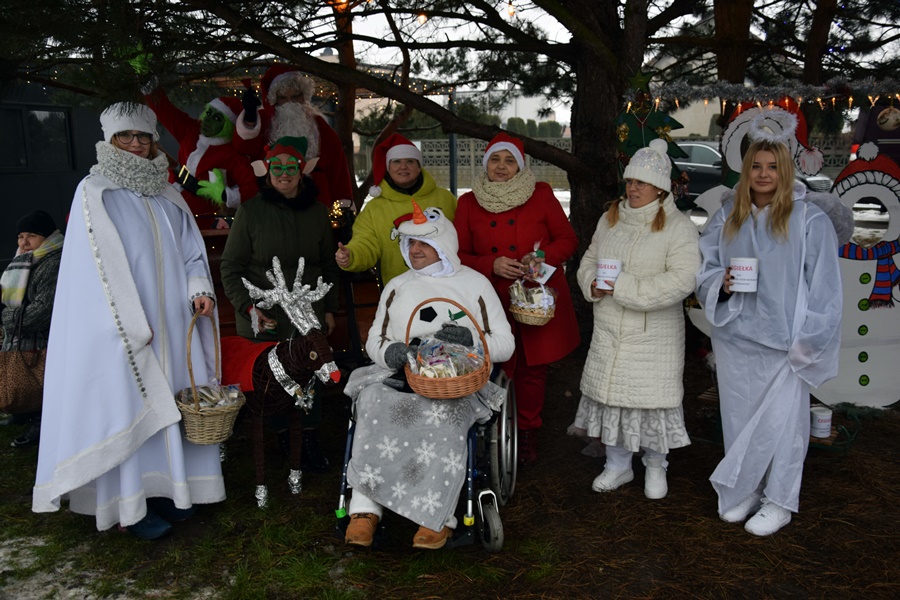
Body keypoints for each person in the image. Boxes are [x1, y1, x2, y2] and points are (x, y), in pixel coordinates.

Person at [32, 103, 225, 540]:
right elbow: (92, 270)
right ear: (110, 140)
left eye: (143, 137)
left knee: (172, 405)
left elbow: (192, 252)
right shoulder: (95, 192)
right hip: (123, 329)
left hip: (173, 327)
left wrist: (199, 288)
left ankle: (169, 491)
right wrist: (127, 323)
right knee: (128, 406)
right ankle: (127, 505)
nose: (137, 144)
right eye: (127, 137)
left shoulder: (168, 194)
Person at [342, 201, 514, 549]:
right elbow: (375, 339)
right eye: (410, 244)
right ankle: (364, 509)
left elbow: (505, 344)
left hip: (457, 380)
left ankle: (436, 516)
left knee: (444, 414)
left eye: (423, 244)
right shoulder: (397, 286)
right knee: (372, 402)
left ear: (443, 246)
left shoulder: (475, 284)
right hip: (403, 374)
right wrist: (388, 353)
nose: (415, 250)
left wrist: (473, 342)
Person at [696, 135, 842, 536]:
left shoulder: (809, 219)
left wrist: (809, 344)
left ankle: (779, 499)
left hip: (784, 342)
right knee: (740, 419)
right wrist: (719, 283)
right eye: (756, 166)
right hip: (736, 338)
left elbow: (826, 289)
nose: (764, 174)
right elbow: (704, 265)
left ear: (785, 170)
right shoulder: (729, 215)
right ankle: (746, 488)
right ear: (747, 171)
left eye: (772, 167)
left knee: (783, 425)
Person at [569, 139, 700, 499]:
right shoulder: (610, 219)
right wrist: (593, 283)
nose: (633, 188)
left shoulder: (678, 227)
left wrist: (623, 286)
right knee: (614, 399)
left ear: (659, 187)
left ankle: (656, 466)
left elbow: (682, 279)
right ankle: (618, 465)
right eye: (630, 181)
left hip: (653, 335)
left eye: (641, 183)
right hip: (610, 329)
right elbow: (589, 261)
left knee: (651, 401)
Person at [454, 132, 578, 466]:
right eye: (495, 159)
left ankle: (525, 432)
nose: (502, 166)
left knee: (532, 368)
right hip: (489, 296)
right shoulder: (467, 202)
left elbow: (567, 239)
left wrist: (540, 257)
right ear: (485, 163)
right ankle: (489, 424)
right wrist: (490, 263)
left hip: (534, 297)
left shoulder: (540, 195)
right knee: (492, 364)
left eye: (510, 160)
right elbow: (457, 253)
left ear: (520, 166)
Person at [220, 136, 340, 471]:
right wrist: (248, 306)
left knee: (308, 372)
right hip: (265, 313)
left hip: (306, 312)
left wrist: (328, 307)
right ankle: (282, 437)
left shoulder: (317, 213)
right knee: (272, 378)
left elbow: (328, 265)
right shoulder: (250, 211)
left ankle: (309, 437)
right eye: (277, 167)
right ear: (268, 170)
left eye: (291, 167)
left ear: (302, 171)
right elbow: (230, 266)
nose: (284, 174)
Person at [335, 133, 457, 286]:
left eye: (410, 161)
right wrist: (351, 255)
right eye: (396, 161)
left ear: (419, 167)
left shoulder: (445, 199)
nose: (403, 167)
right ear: (388, 168)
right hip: (400, 290)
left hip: (447, 286)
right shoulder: (375, 209)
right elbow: (365, 243)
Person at [235, 65, 353, 210]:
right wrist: (250, 117)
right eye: (283, 97)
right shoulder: (264, 121)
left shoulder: (319, 126)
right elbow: (243, 148)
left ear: (304, 96)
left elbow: (338, 169)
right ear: (274, 99)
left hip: (316, 203)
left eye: (295, 96)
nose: (289, 103)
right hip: (271, 202)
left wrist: (343, 207)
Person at [144, 86, 258, 226]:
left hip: (200, 217)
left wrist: (226, 195)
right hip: (168, 196)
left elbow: (252, 188)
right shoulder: (192, 130)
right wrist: (150, 86)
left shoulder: (233, 155)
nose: (208, 120)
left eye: (217, 118)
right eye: (208, 113)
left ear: (229, 125)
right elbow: (166, 111)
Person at [0, 210, 64, 447]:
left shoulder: (53, 263)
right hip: (25, 337)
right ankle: (24, 412)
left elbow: (41, 312)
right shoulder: (26, 260)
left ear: (47, 237)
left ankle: (41, 420)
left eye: (32, 235)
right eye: (20, 236)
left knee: (42, 382)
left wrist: (6, 316)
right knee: (27, 380)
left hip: (46, 339)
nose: (24, 242)